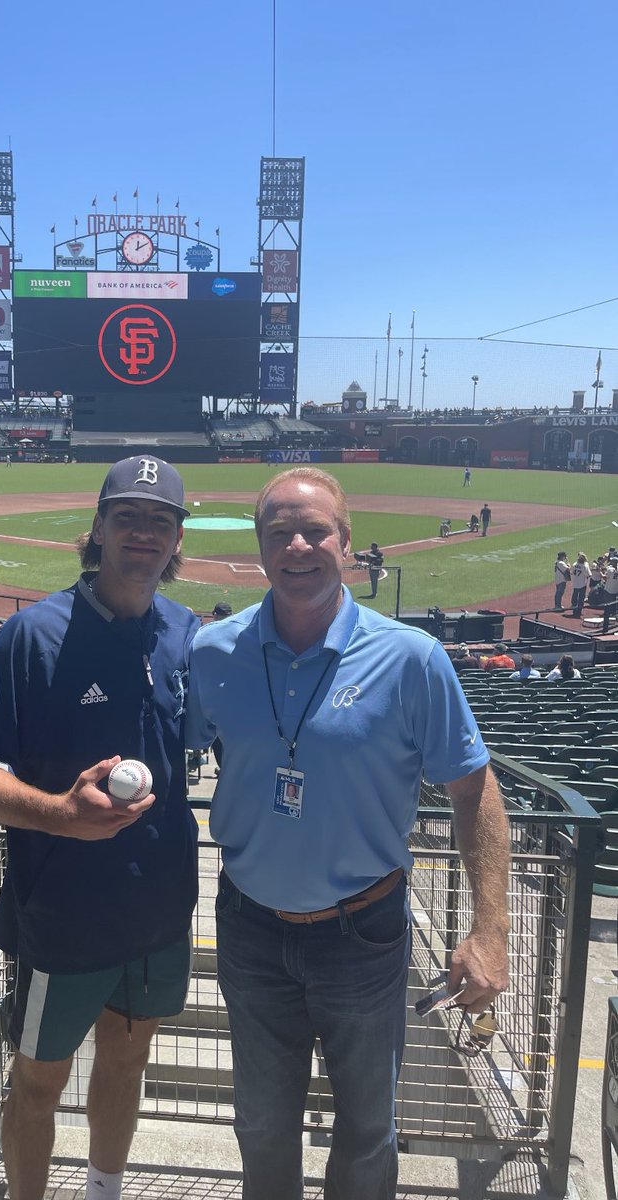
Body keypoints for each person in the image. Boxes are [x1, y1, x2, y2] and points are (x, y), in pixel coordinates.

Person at [186, 467, 510, 1200]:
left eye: (315, 530)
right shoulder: (213, 653)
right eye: (279, 533)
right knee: (262, 1127)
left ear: (348, 542)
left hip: (363, 934)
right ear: (261, 548)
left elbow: (475, 790)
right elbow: (166, 751)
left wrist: (492, 929)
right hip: (249, 928)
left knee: (369, 1133)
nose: (298, 545)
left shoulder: (411, 657)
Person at [0, 455, 199, 1200]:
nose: (144, 533)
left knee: (126, 1064)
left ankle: (104, 1192)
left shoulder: (186, 632)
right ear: (98, 528)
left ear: (177, 539)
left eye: (161, 521)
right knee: (37, 1086)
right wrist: (61, 815)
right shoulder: (33, 635)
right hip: (64, 919)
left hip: (159, 914)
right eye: (129, 517)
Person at [570, 552, 591, 618]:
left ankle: (574, 610)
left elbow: (571, 572)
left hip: (575, 583)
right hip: (582, 584)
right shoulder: (585, 565)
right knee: (581, 598)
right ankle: (579, 612)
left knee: (574, 597)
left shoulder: (574, 564)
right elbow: (589, 574)